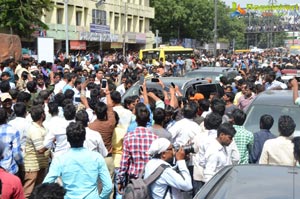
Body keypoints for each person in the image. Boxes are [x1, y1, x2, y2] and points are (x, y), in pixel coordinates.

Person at [43, 122, 112, 199]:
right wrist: (101, 197)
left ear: (68, 139)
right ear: (84, 137)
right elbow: (108, 186)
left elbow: (46, 185)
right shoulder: (97, 157)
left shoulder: (59, 160)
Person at [117, 103, 158, 193]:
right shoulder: (154, 137)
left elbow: (124, 161)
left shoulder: (128, 137)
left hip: (133, 180)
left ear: (136, 119)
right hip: (150, 179)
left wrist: (120, 180)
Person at [23, 105, 49, 198]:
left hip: (40, 164)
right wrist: (51, 142)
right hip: (33, 165)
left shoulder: (40, 127)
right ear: (42, 115)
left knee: (37, 191)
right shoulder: (35, 130)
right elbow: (40, 149)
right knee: (28, 192)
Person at [0, 107, 23, 175]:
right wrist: (21, 163)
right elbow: (16, 154)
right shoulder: (13, 131)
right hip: (10, 170)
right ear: (7, 117)